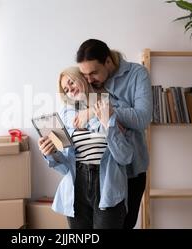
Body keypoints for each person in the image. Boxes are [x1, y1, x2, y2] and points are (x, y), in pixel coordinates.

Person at [37, 67, 134, 229]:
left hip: (107, 186)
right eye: (65, 89)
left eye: (71, 82)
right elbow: (65, 167)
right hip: (77, 188)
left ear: (82, 77)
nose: (70, 90)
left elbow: (125, 157)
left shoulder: (112, 105)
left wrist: (98, 118)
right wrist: (51, 153)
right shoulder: (67, 116)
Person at [75, 39, 153, 229]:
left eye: (93, 72)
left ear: (108, 62)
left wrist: (98, 110)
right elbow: (77, 115)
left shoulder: (137, 74)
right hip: (96, 172)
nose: (89, 79)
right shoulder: (88, 80)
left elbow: (143, 118)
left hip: (131, 171)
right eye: (84, 74)